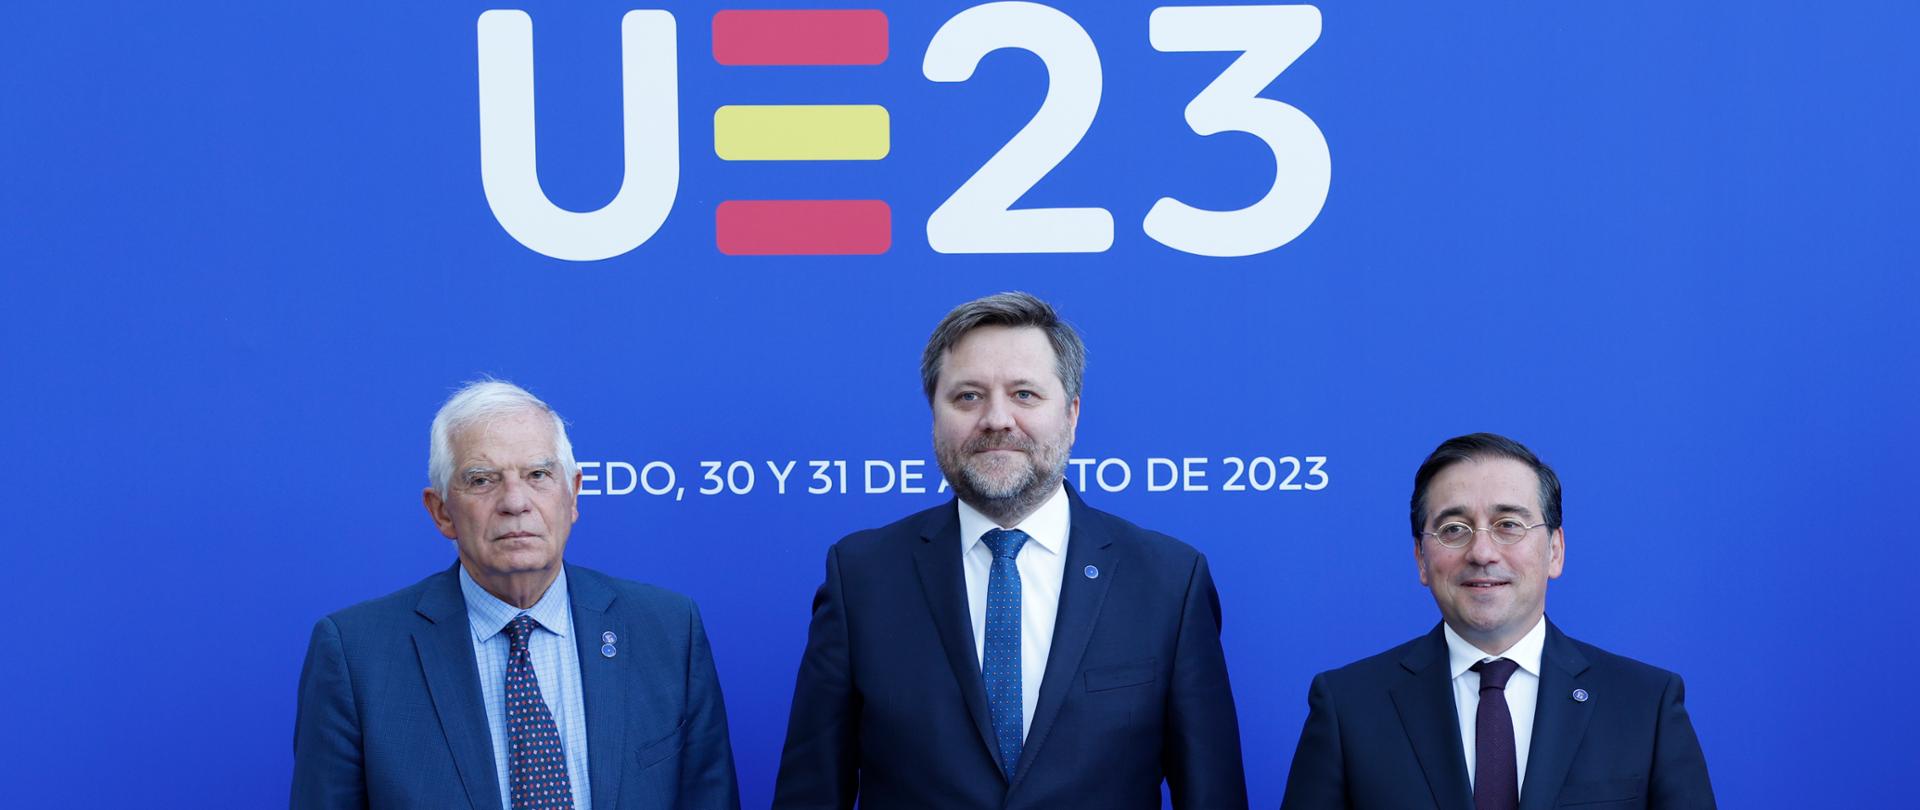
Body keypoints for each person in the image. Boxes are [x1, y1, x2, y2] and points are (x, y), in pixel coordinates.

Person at [773, 292, 1248, 810]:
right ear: (934, 416)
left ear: (1071, 414)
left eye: (1024, 394)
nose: (996, 418)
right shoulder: (861, 578)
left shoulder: (1169, 582)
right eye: (968, 396)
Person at [291, 380, 739, 809]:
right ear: (441, 511)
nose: (515, 502)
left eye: (538, 474)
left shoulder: (668, 630)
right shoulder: (357, 655)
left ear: (573, 495)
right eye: (482, 480)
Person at [1280, 433, 1714, 809]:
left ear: (1555, 550)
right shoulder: (1348, 708)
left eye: (1508, 524)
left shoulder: (1646, 705)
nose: (1482, 553)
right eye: (1453, 529)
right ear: (1421, 559)